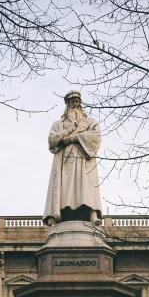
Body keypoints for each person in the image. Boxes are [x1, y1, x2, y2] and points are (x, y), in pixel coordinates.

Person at [43, 90, 103, 226]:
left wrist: (74, 137)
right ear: (67, 104)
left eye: (77, 101)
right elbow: (52, 141)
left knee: (86, 186)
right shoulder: (58, 124)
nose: (75, 103)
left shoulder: (90, 122)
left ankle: (92, 214)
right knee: (65, 188)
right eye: (72, 101)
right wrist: (68, 130)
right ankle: (60, 214)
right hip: (64, 161)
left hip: (84, 158)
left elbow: (96, 137)